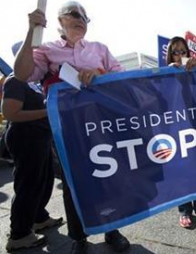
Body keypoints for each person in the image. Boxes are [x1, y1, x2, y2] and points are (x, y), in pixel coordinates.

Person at [13, 2, 130, 253]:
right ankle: (79, 236)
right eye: (75, 14)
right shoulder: (46, 49)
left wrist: (98, 73)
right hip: (66, 128)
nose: (81, 19)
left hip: (100, 124)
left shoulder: (100, 49)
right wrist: (31, 30)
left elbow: (122, 80)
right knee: (72, 183)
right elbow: (22, 74)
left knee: (106, 177)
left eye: (85, 17)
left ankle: (112, 229)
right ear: (59, 21)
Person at [2, 75, 63, 252]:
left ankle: (38, 218)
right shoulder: (15, 80)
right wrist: (47, 112)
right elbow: (10, 113)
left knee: (44, 180)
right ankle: (19, 235)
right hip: (25, 137)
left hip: (39, 136)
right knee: (28, 185)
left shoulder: (33, 82)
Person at [165, 36, 196, 228]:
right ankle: (184, 210)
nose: (180, 55)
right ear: (169, 54)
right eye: (175, 51)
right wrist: (166, 74)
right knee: (180, 171)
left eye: (183, 51)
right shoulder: (163, 74)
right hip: (174, 130)